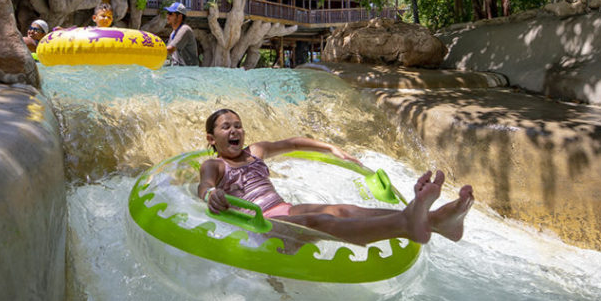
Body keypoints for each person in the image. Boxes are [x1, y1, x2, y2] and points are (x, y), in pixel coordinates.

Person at [197, 108, 474, 246]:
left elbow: (293, 143)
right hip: (260, 222)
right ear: (212, 138)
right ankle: (405, 223)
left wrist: (332, 148)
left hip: (283, 209)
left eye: (238, 126)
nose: (235, 131)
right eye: (226, 127)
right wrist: (212, 196)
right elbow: (205, 186)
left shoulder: (255, 151)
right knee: (319, 222)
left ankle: (437, 221)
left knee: (344, 210)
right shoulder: (216, 164)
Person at [164, 1, 199, 66]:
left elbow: (170, 49)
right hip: (178, 70)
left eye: (170, 13)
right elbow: (168, 54)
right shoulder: (173, 33)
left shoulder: (185, 30)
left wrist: (150, 52)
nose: (167, 16)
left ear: (179, 17)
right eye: (167, 13)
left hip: (189, 72)